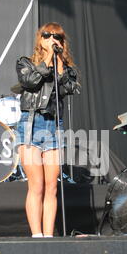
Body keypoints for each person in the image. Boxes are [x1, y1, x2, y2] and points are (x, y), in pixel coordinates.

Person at [15, 22, 80, 237]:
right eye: (48, 35)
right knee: (37, 184)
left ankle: (49, 236)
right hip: (31, 124)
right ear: (40, 39)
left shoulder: (64, 66)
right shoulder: (26, 62)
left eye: (58, 37)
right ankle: (36, 235)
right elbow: (30, 81)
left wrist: (59, 62)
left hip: (54, 126)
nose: (53, 40)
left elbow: (71, 87)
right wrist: (47, 60)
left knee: (52, 186)